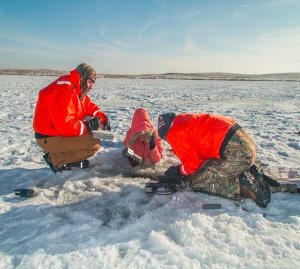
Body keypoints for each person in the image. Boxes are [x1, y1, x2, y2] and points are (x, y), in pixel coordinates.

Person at [156, 112, 297, 208]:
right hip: (246, 147)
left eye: (166, 139)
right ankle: (246, 172)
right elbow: (203, 152)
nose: (168, 141)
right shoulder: (187, 121)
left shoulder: (175, 132)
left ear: (166, 132)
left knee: (197, 181)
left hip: (237, 153)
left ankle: (244, 185)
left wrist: (178, 171)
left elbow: (192, 166)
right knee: (208, 168)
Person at [33, 63, 111, 172]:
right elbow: (65, 127)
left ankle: (65, 157)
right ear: (82, 78)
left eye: (92, 83)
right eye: (89, 82)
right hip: (48, 138)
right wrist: (87, 125)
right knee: (93, 144)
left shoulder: (75, 88)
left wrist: (102, 117)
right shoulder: (65, 90)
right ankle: (56, 159)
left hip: (54, 134)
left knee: (90, 138)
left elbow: (88, 106)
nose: (91, 87)